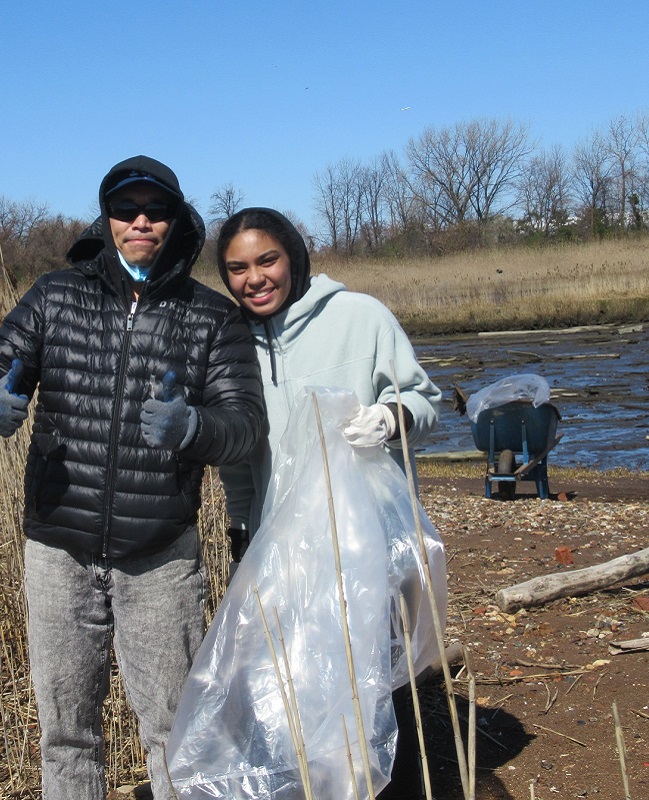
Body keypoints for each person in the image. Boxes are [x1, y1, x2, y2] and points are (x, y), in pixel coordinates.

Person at [0, 156, 265, 800]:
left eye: (155, 210)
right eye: (126, 210)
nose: (140, 221)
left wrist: (193, 429)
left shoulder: (212, 316)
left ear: (177, 220)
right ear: (107, 218)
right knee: (66, 735)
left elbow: (245, 424)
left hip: (160, 555)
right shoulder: (54, 295)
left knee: (172, 729)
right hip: (57, 548)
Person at [216, 207, 442, 800]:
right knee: (296, 687)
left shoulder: (359, 317)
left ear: (293, 256)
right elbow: (239, 458)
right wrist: (242, 532)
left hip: (362, 539)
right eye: (237, 268)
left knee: (379, 686)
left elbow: (423, 399)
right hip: (278, 544)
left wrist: (388, 419)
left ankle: (395, 788)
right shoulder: (229, 340)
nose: (255, 278)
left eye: (267, 260)